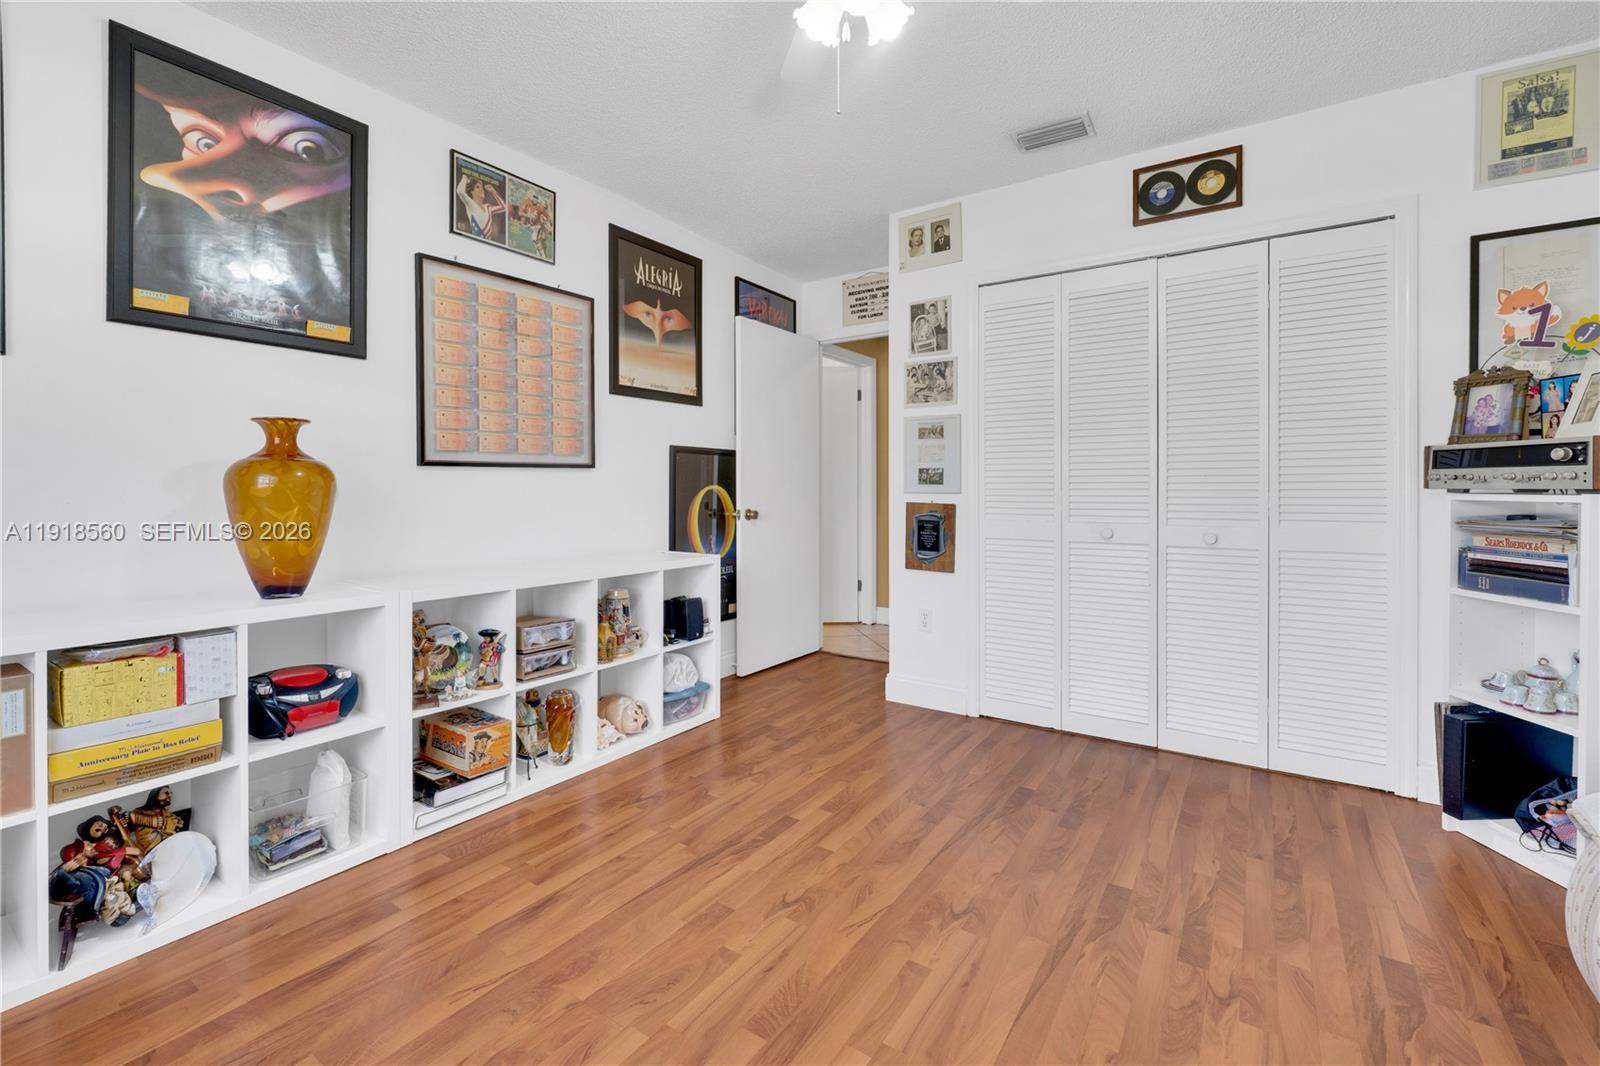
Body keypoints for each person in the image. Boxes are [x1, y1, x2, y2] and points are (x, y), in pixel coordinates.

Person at [456, 174, 506, 241]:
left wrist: (493, 192)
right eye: (477, 187)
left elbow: (503, 207)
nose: (481, 189)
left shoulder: (488, 207)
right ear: (471, 192)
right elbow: (460, 191)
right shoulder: (471, 204)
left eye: (481, 187)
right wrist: (464, 179)